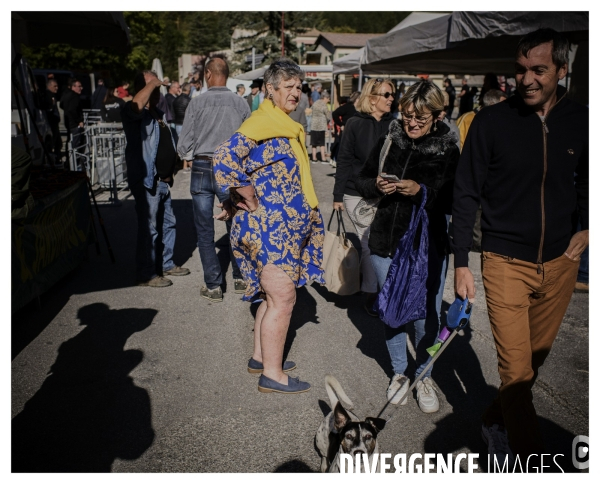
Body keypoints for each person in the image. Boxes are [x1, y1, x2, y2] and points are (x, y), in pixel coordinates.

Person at [451, 28, 588, 466]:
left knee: (533, 364)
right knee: (515, 373)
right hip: (504, 261)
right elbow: (465, 192)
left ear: (563, 71)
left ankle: (493, 421)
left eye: (539, 70)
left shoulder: (582, 119)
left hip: (561, 263)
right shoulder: (491, 122)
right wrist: (460, 263)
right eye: (520, 69)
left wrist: (587, 227)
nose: (526, 79)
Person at [213, 58, 324, 394]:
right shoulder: (261, 123)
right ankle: (273, 375)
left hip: (277, 228)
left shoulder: (282, 124)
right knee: (283, 298)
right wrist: (245, 194)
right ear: (270, 91)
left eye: (298, 86)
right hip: (270, 230)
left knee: (269, 296)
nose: (295, 92)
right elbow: (223, 159)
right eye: (287, 87)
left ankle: (261, 358)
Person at [355, 80, 459, 413]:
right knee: (392, 308)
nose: (412, 123)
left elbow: (456, 198)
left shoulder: (448, 149)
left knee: (426, 315)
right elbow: (361, 178)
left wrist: (422, 192)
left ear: (439, 115)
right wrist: (377, 185)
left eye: (421, 118)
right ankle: (400, 373)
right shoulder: (390, 137)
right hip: (386, 239)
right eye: (408, 115)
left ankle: (424, 375)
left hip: (428, 246)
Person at [177, 57, 250, 302]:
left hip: (201, 165)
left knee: (204, 230)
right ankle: (240, 278)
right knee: (237, 224)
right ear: (226, 75)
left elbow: (183, 145)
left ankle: (213, 285)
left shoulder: (196, 104)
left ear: (208, 74)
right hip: (229, 168)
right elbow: (249, 140)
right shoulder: (240, 103)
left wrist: (195, 149)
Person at [121, 70, 191, 287]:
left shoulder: (158, 112)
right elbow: (136, 107)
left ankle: (166, 263)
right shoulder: (134, 111)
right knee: (149, 228)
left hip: (162, 180)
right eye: (153, 85)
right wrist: (150, 83)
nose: (158, 88)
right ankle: (146, 273)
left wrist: (170, 170)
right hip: (146, 180)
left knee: (168, 223)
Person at [333, 80, 394, 316]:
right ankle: (372, 293)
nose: (391, 98)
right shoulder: (355, 123)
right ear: (372, 98)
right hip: (355, 193)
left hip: (384, 193)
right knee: (369, 241)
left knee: (383, 243)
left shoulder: (395, 125)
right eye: (386, 94)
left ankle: (369, 281)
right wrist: (338, 196)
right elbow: (344, 160)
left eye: (392, 95)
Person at [60, 77, 85, 170]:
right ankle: (74, 165)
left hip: (69, 124)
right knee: (75, 146)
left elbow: (62, 105)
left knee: (70, 144)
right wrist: (79, 120)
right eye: (79, 86)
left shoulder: (66, 95)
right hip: (74, 124)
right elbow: (72, 110)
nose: (81, 88)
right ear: (73, 87)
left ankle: (70, 164)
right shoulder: (74, 96)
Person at [330, 91, 359, 163]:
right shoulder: (347, 107)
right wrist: (341, 124)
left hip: (356, 133)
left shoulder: (360, 109)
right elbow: (335, 113)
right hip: (346, 132)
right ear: (357, 99)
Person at [173, 82, 192, 172]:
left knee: (178, 144)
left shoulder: (176, 99)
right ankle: (185, 165)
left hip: (177, 123)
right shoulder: (189, 100)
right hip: (185, 124)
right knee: (186, 145)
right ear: (188, 90)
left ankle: (177, 163)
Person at [310, 91, 332, 163]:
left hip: (313, 125)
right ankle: (323, 158)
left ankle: (314, 158)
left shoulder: (315, 103)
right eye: (328, 98)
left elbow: (311, 110)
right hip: (321, 126)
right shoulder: (324, 105)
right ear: (325, 97)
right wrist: (329, 121)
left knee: (314, 144)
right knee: (322, 144)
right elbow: (328, 115)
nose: (328, 100)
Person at [44, 78, 62, 164]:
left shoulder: (52, 95)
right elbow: (49, 109)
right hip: (51, 123)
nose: (57, 88)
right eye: (55, 86)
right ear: (49, 86)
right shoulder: (48, 95)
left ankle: (57, 158)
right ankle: (53, 160)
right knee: (54, 143)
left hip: (54, 123)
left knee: (58, 143)